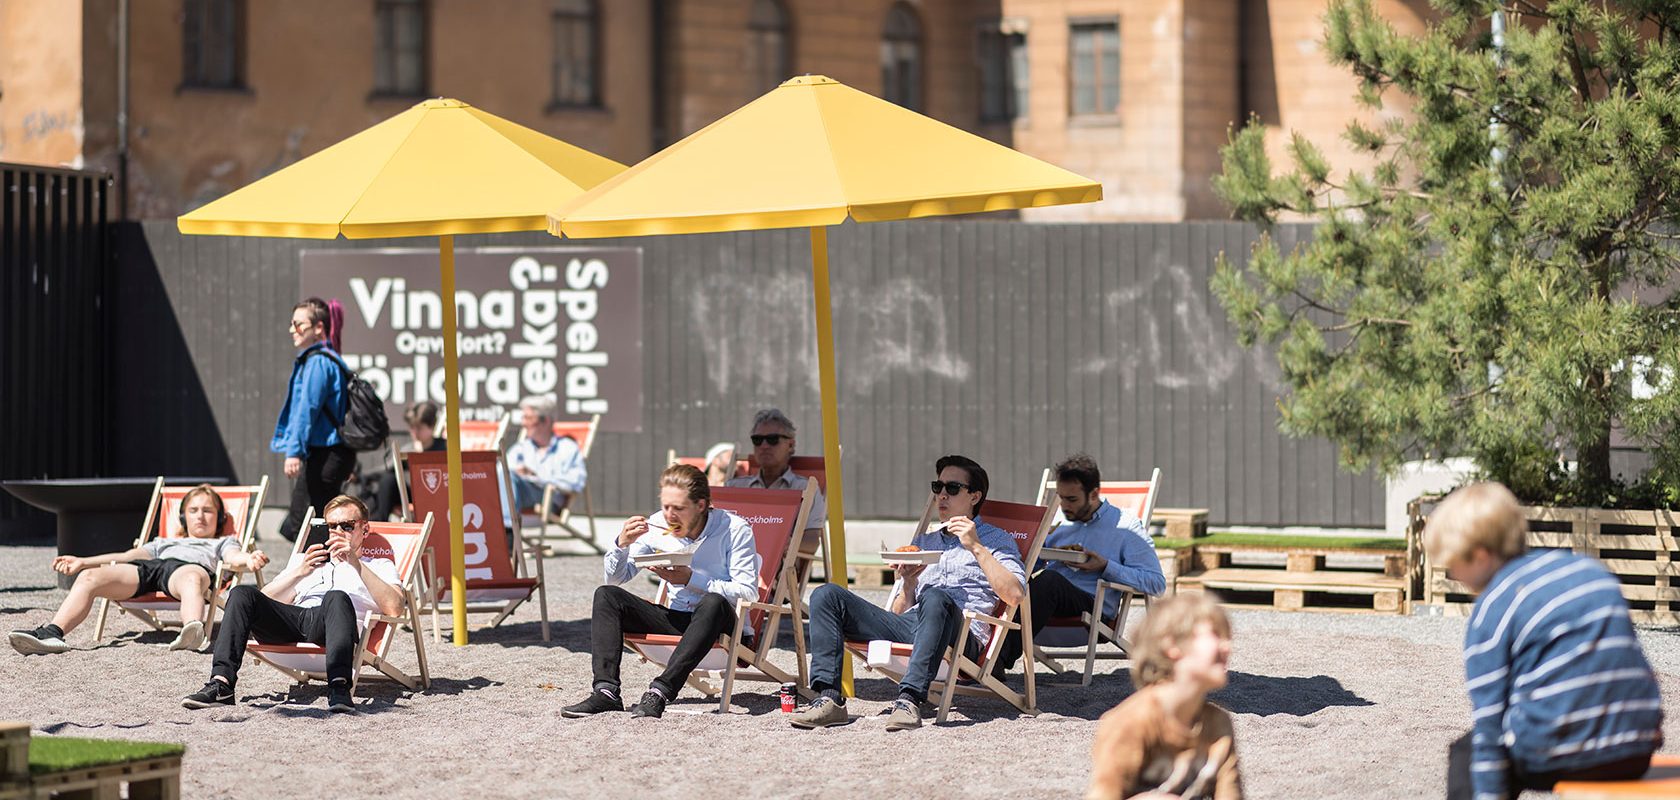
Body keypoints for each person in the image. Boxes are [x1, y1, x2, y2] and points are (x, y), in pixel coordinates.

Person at [1427, 483, 1663, 799]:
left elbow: (1491, 726)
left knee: (1466, 755)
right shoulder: (1588, 571)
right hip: (1636, 747)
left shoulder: (1493, 608)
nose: (1454, 575)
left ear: (1480, 556)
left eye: (1453, 565)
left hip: (1563, 752)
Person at [790, 455, 1026, 732]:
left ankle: (909, 700)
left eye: (952, 489)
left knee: (936, 597)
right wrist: (908, 583)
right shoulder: (924, 542)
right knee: (826, 595)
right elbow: (899, 614)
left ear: (975, 496)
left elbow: (1015, 595)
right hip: (916, 624)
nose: (941, 496)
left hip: (963, 635)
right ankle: (829, 700)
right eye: (937, 487)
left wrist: (975, 547)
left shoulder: (996, 540)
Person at [561, 464, 758, 720]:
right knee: (606, 595)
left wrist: (691, 580)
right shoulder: (656, 525)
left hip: (724, 627)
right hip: (678, 621)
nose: (669, 515)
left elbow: (748, 593)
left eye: (678, 508)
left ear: (701, 505)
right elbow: (616, 578)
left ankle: (660, 692)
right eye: (665, 506)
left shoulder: (734, 529)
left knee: (712, 602)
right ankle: (606, 692)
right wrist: (621, 544)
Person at [181, 494, 404, 714]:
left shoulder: (378, 565)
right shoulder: (305, 560)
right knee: (241, 594)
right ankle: (221, 685)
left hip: (335, 626)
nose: (337, 532)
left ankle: (339, 687)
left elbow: (395, 608)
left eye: (346, 526)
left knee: (336, 596)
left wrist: (355, 564)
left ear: (364, 530)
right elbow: (262, 601)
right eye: (330, 526)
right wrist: (300, 572)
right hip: (294, 620)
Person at [9, 484, 269, 655]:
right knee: (90, 577)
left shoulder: (222, 541)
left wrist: (250, 559)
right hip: (150, 567)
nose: (200, 516)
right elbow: (126, 556)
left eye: (208, 511)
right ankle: (53, 634)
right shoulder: (163, 541)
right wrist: (83, 561)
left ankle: (192, 629)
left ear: (220, 518)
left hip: (189, 570)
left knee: (192, 577)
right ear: (182, 517)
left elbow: (235, 557)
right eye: (193, 510)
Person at [994, 454, 1165, 674]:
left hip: (1092, 607)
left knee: (1049, 581)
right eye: (1060, 497)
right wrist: (1040, 555)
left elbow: (1157, 584)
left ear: (1094, 494)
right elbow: (1029, 565)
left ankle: (996, 660)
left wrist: (1105, 566)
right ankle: (973, 651)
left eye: (1072, 499)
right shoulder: (1056, 521)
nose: (1064, 506)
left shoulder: (1125, 526)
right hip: (1045, 606)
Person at [1085, 592, 1242, 800]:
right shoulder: (1130, 724)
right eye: (1215, 635)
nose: (1226, 646)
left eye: (1227, 637)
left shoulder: (1217, 724)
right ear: (1172, 645)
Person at [274, 296, 352, 542]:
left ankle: (322, 575)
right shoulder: (326, 358)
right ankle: (325, 573)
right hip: (329, 454)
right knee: (309, 523)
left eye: (299, 325)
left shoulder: (318, 362)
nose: (292, 330)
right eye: (291, 323)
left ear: (318, 328)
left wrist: (293, 452)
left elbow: (307, 410)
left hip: (325, 454)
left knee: (304, 524)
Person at [725, 409, 827, 578]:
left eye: (772, 439)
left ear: (791, 445)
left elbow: (811, 543)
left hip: (778, 575)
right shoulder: (735, 488)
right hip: (732, 568)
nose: (764, 445)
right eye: (757, 440)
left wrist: (780, 543)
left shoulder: (805, 489)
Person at [505, 394, 587, 520]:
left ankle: (507, 531)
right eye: (523, 418)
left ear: (546, 421)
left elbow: (577, 481)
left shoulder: (567, 448)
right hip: (518, 495)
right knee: (503, 476)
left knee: (509, 479)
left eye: (528, 418)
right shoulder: (521, 448)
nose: (523, 423)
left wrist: (537, 477)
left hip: (548, 499)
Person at [363, 401, 447, 522]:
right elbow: (387, 469)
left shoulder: (444, 447)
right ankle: (380, 524)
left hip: (440, 494)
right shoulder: (409, 449)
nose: (415, 432)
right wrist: (361, 476)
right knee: (388, 480)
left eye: (420, 427)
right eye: (412, 427)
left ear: (432, 426)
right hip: (414, 495)